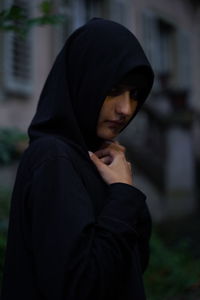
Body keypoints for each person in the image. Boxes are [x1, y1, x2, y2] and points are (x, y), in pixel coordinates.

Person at [1, 18, 154, 300]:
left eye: (134, 95)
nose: (126, 109)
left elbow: (131, 266)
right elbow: (81, 287)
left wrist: (123, 191)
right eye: (113, 91)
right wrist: (123, 196)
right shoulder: (54, 159)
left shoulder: (95, 160)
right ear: (83, 81)